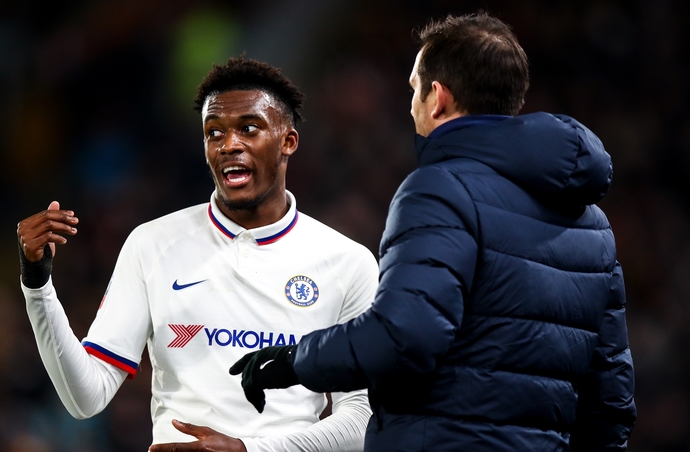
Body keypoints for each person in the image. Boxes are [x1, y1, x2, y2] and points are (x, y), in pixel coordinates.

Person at [230, 11, 637, 451]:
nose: (411, 106)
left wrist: (296, 361)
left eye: (413, 90)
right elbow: (611, 398)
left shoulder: (442, 189)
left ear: (437, 98)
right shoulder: (592, 222)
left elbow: (405, 337)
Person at [16, 56, 377, 452]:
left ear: (288, 141)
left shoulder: (348, 263)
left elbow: (361, 418)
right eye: (214, 133)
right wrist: (38, 286)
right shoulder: (152, 244)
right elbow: (85, 398)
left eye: (249, 128)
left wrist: (250, 450)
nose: (229, 145)